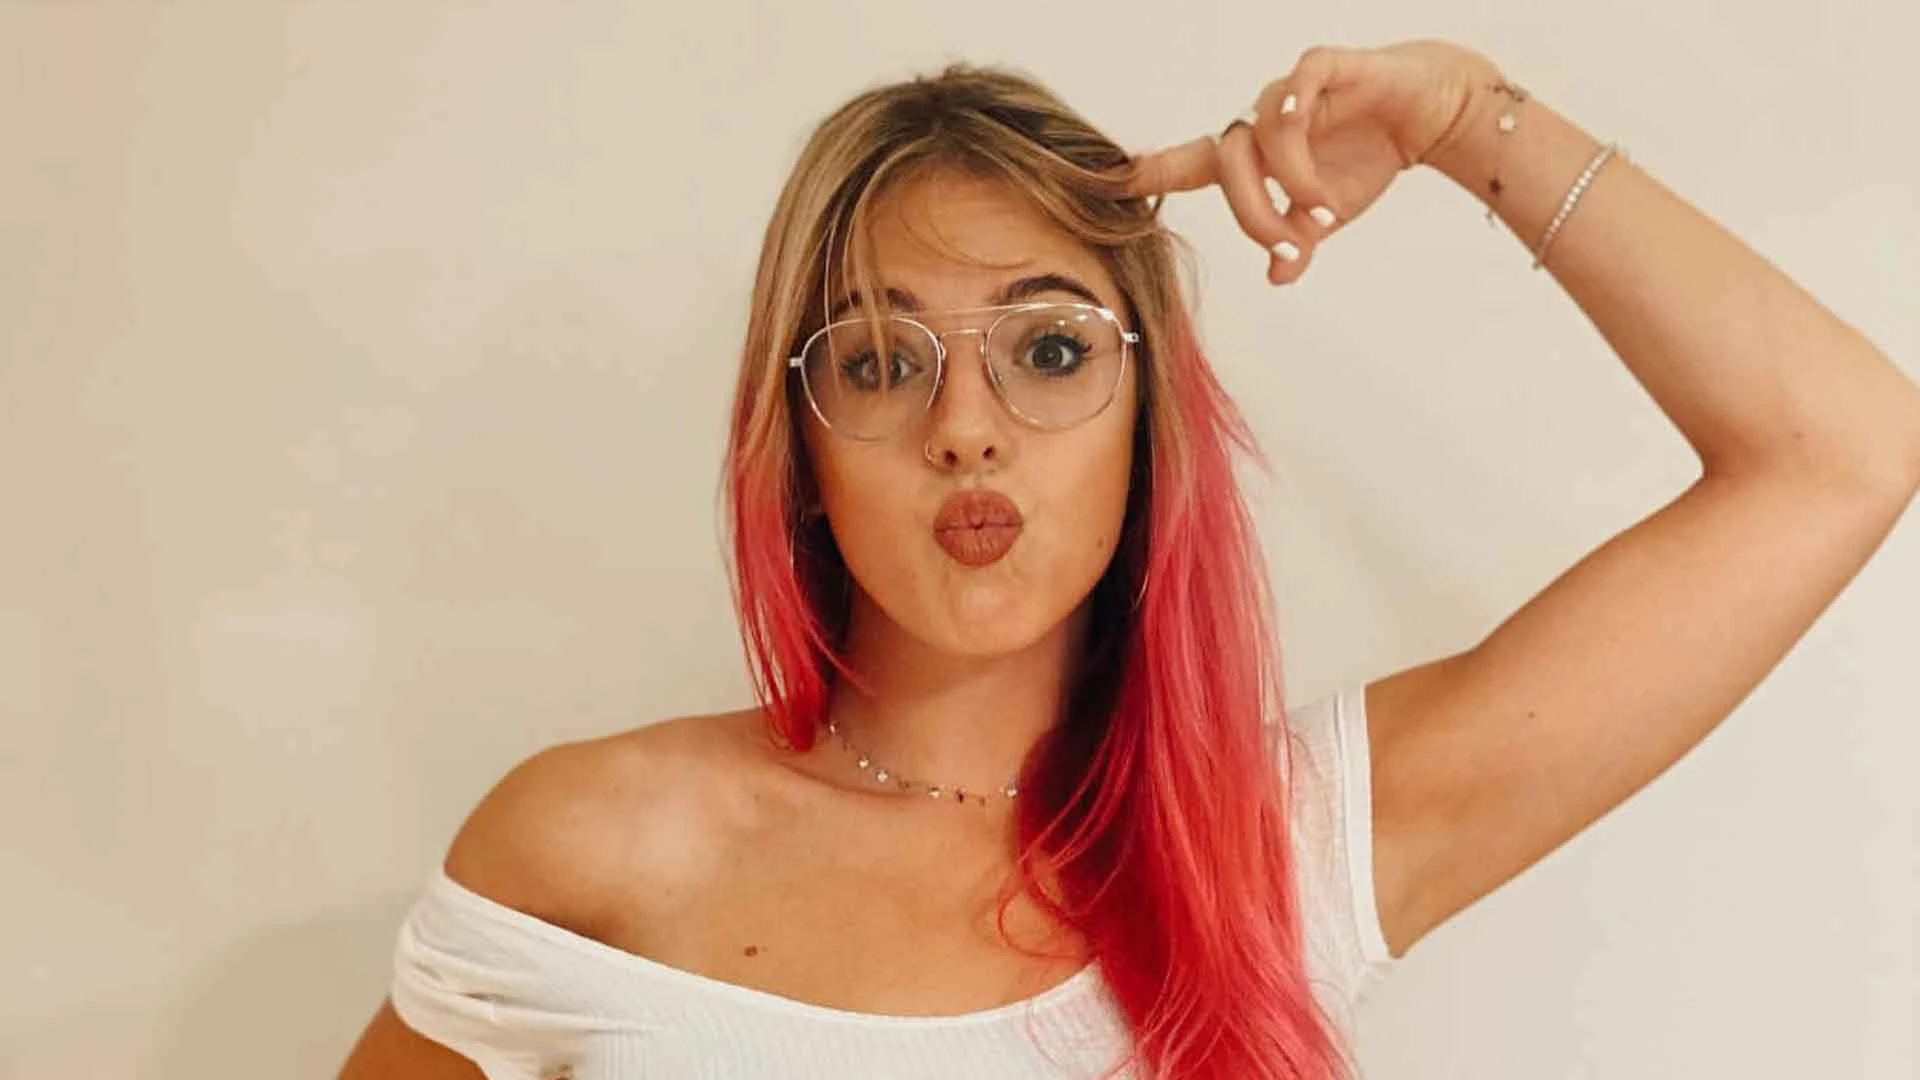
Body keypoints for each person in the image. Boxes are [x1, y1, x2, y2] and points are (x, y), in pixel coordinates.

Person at [339, 38, 1920, 1080]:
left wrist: (1460, 122)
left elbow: (1843, 451)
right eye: (884, 362)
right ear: (802, 444)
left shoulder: (1283, 847)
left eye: (1047, 349)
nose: (967, 429)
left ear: (1150, 415)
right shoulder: (590, 844)